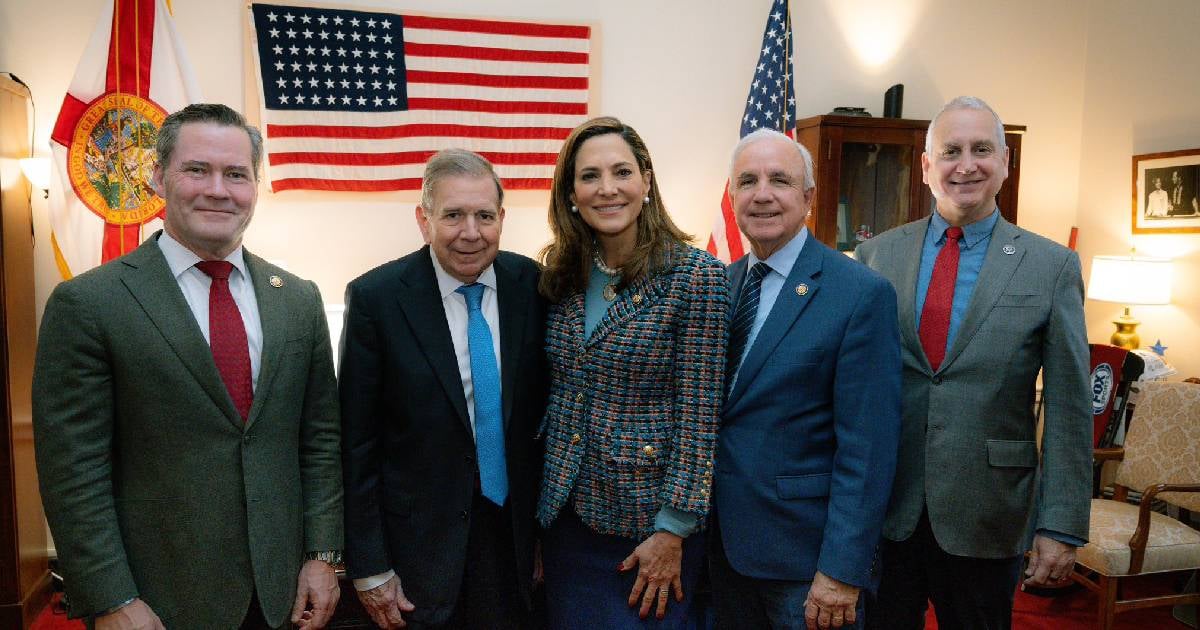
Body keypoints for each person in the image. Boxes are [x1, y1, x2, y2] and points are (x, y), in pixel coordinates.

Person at [32, 103, 343, 629]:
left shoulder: (298, 299)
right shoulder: (90, 303)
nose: (218, 189)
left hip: (280, 593)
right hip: (154, 600)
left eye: (237, 174)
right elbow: (74, 472)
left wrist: (323, 554)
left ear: (255, 186)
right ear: (158, 177)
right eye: (197, 169)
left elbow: (320, 440)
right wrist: (110, 597)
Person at [856, 96, 1092, 629]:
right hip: (886, 510)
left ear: (1004, 162)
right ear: (925, 167)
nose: (966, 165)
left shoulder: (1051, 266)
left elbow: (1070, 406)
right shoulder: (877, 257)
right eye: (951, 151)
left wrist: (1061, 525)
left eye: (982, 149)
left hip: (988, 513)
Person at [339, 149, 547, 629]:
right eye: (453, 215)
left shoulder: (533, 286)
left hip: (512, 542)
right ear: (423, 219)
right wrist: (369, 564)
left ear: (501, 218)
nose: (470, 232)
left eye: (484, 216)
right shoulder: (377, 298)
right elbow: (356, 443)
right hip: (417, 551)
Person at [536, 116, 729, 628]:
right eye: (589, 176)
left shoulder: (695, 276)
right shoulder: (561, 275)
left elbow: (700, 414)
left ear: (646, 181)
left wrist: (673, 530)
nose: (607, 189)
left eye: (622, 172)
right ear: (571, 193)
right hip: (566, 522)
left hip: (649, 530)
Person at [710, 128, 902, 630]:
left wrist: (841, 570)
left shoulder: (860, 294)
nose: (762, 193)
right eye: (747, 181)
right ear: (732, 198)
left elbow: (869, 448)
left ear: (809, 198)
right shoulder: (720, 286)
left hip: (807, 565)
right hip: (719, 554)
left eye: (780, 180)